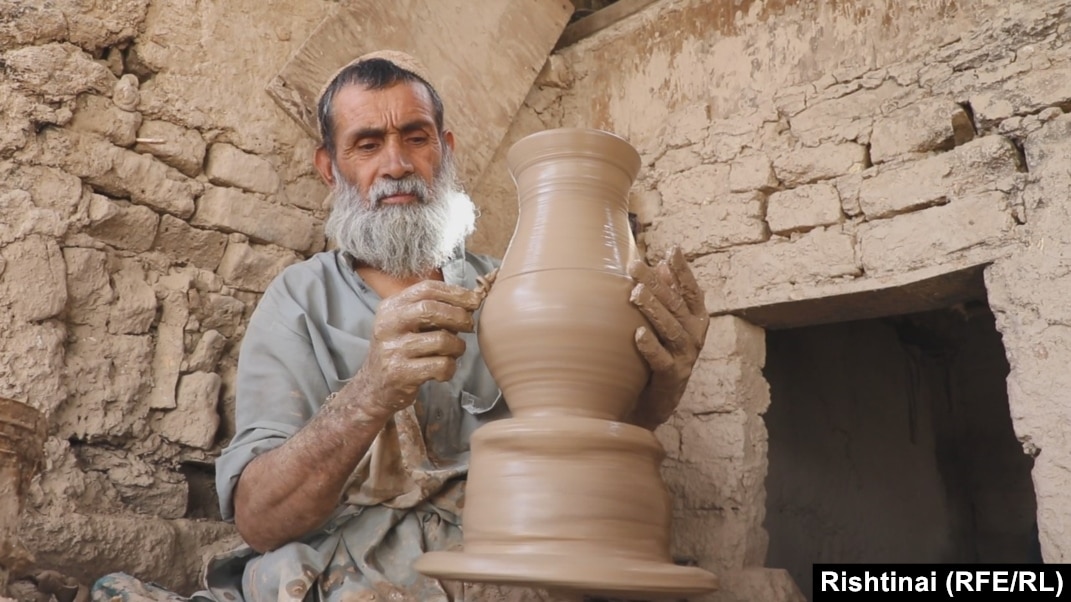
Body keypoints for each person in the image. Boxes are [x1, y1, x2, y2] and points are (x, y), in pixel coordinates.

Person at [92, 50, 709, 602]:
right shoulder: (301, 300)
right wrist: (370, 392)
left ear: (446, 149)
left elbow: (593, 456)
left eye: (416, 138)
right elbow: (261, 519)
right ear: (330, 169)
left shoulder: (519, 287)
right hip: (348, 570)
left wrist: (662, 384)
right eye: (366, 144)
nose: (396, 165)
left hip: (507, 562)